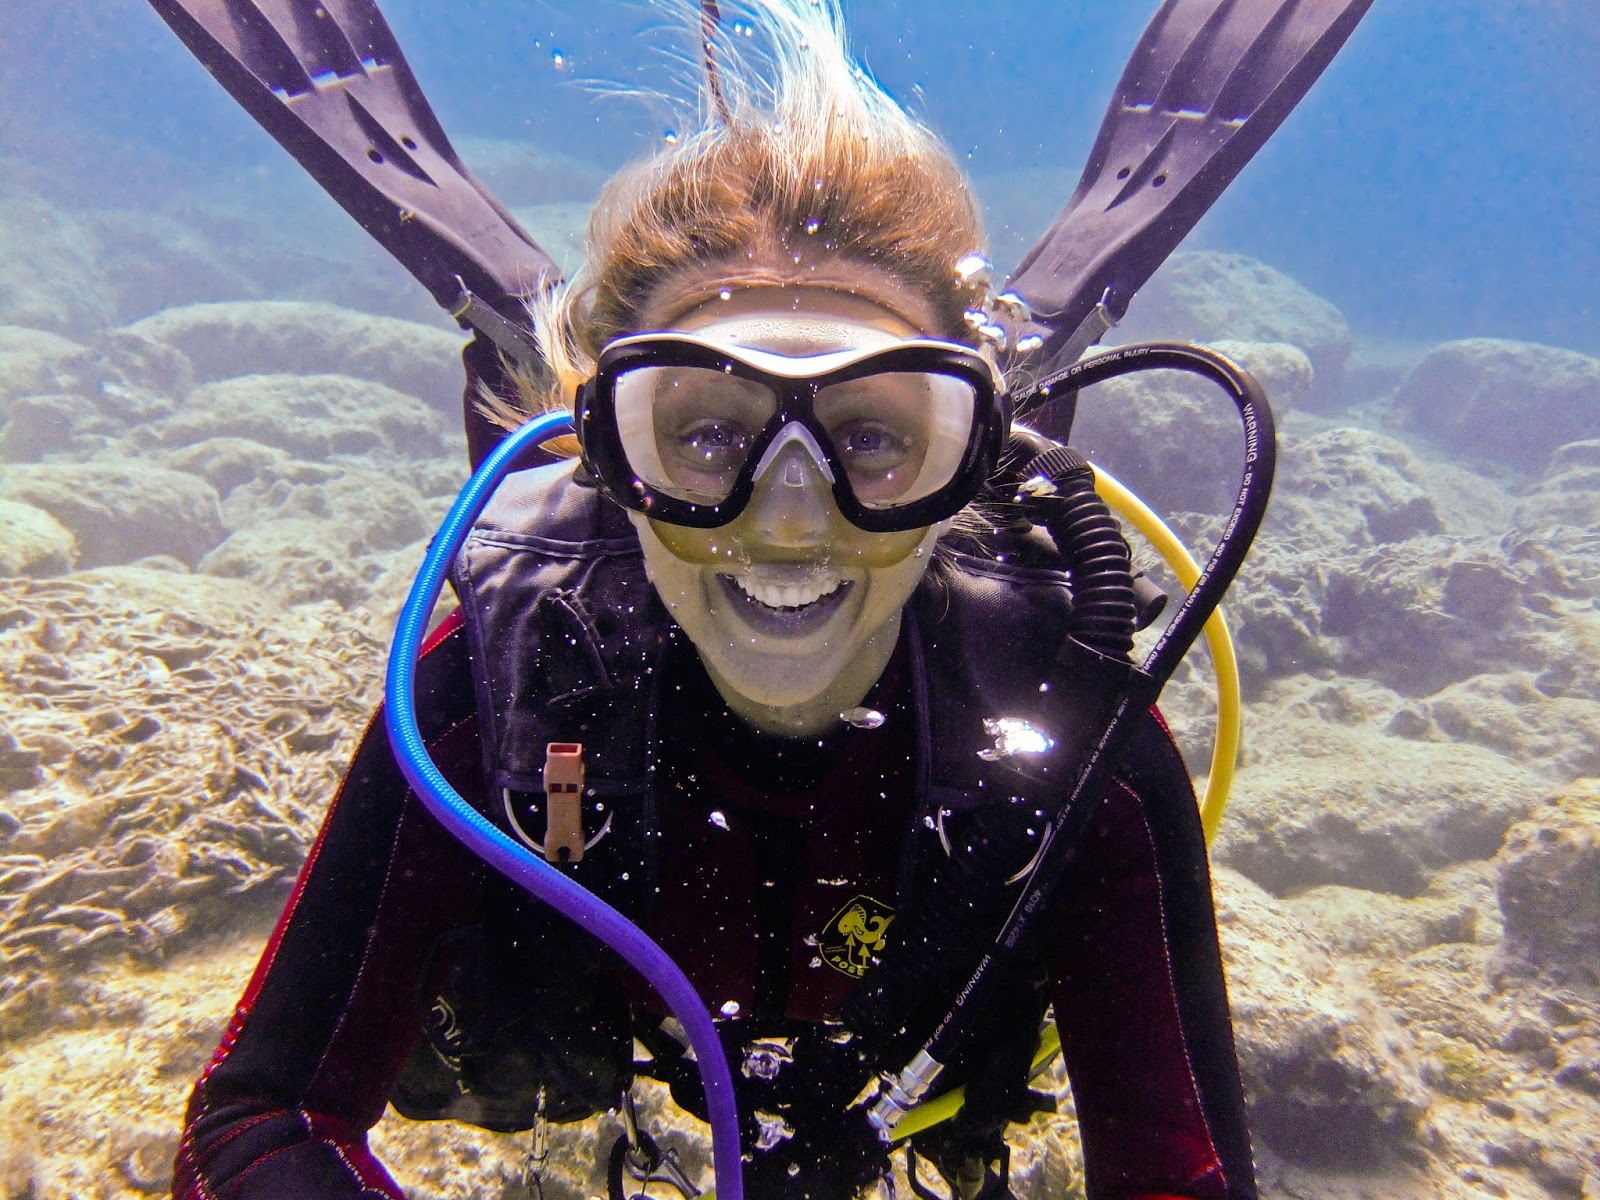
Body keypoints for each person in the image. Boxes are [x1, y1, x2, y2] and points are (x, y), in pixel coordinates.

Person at [172, 3, 1258, 1198]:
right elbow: (262, 1117)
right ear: (608, 458)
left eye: (876, 439)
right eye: (700, 433)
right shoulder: (500, 673)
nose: (789, 516)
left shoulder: (1075, 718)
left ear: (968, 467)